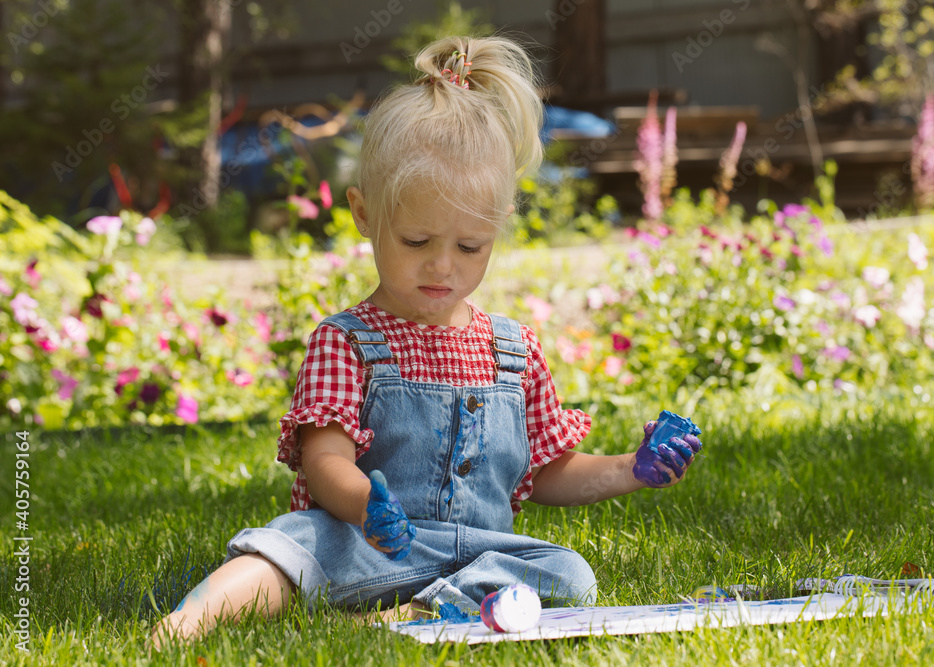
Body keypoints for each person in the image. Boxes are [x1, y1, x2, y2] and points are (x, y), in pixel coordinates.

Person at [150, 35, 702, 647]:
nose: (442, 266)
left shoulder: (512, 350)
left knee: (567, 572)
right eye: (416, 241)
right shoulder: (348, 342)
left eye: (470, 247)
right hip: (362, 541)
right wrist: (365, 506)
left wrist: (634, 468)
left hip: (477, 555)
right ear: (364, 213)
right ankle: (180, 627)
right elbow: (324, 460)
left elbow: (546, 473)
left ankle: (418, 613)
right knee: (287, 545)